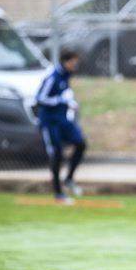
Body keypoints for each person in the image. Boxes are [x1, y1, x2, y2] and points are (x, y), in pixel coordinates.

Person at [35, 50, 87, 204]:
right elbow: (40, 98)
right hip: (50, 122)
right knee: (56, 154)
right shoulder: (53, 77)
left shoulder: (66, 76)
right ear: (65, 61)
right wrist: (60, 100)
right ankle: (58, 193)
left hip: (63, 119)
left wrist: (70, 103)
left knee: (81, 144)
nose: (75, 66)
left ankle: (69, 178)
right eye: (73, 63)